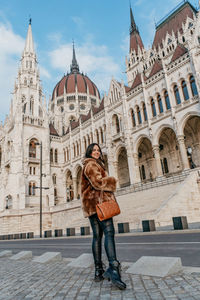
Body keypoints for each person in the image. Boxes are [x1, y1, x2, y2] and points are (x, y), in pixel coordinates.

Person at [81, 143, 126, 290]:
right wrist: (112, 181)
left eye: (98, 150)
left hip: (92, 205)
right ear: (89, 152)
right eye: (93, 150)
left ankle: (98, 270)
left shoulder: (89, 165)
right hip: (99, 204)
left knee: (97, 237)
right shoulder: (91, 165)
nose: (97, 152)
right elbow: (98, 183)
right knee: (109, 233)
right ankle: (113, 267)